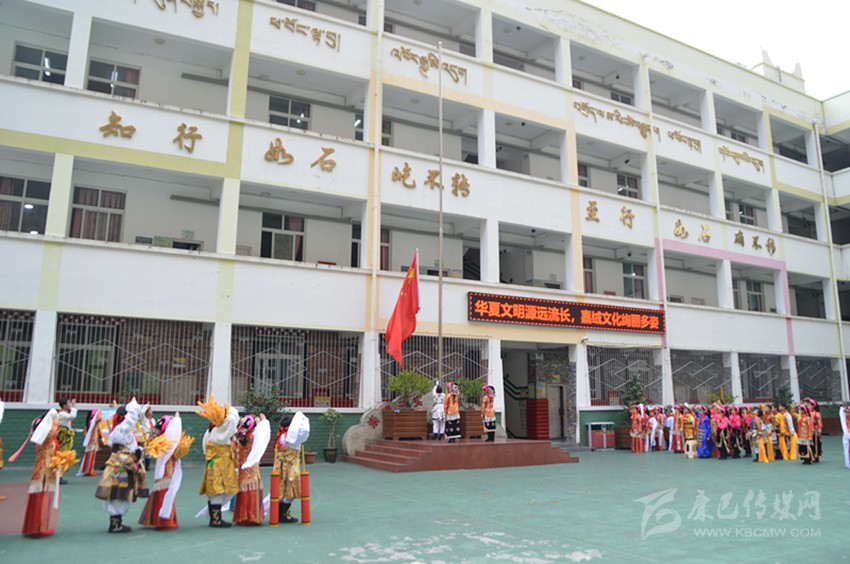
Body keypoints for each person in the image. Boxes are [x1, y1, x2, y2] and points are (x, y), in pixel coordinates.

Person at [95, 399, 149, 533]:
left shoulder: (124, 432)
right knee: (118, 494)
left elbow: (133, 447)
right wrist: (133, 409)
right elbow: (129, 422)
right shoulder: (120, 430)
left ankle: (116, 523)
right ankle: (115, 525)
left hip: (123, 467)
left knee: (121, 495)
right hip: (119, 468)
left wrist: (139, 453)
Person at [139, 413, 192, 530]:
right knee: (166, 491)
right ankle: (165, 521)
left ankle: (159, 519)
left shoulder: (163, 440)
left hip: (164, 466)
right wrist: (177, 418)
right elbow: (176, 426)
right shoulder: (169, 439)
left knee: (163, 490)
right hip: (168, 467)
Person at [197, 395, 239, 528]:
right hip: (221, 466)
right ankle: (216, 520)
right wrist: (227, 411)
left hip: (213, 464)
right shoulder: (219, 432)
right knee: (219, 491)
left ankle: (214, 518)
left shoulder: (210, 431)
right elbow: (232, 420)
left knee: (215, 491)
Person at [22, 410, 62, 537]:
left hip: (42, 469)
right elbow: (53, 433)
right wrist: (53, 418)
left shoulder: (41, 435)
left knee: (39, 497)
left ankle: (34, 527)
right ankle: (40, 527)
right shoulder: (47, 437)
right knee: (42, 498)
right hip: (45, 470)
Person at [233, 413, 270, 526]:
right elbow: (263, 433)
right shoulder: (252, 438)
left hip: (242, 469)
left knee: (243, 493)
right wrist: (262, 420)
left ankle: (242, 516)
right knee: (253, 492)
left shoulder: (238, 439)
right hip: (252, 469)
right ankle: (253, 517)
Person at [273, 412, 310, 524]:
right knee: (291, 491)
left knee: (280, 490)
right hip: (291, 467)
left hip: (279, 466)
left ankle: (278, 514)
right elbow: (305, 430)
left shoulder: (280, 437)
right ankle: (284, 515)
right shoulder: (293, 439)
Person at [57, 397, 77, 485]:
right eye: (69, 403)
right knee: (62, 456)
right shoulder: (62, 414)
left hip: (65, 438)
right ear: (64, 406)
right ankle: (58, 476)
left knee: (63, 456)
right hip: (63, 439)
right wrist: (73, 407)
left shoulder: (63, 414)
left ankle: (59, 476)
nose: (70, 405)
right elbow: (72, 416)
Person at [78, 408, 102, 477]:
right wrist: (99, 411)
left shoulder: (90, 422)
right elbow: (99, 419)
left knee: (90, 456)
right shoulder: (92, 422)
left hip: (93, 441)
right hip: (92, 441)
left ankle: (88, 469)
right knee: (90, 456)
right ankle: (89, 470)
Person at [840, 402, 850, 470]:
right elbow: (841, 411)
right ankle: (848, 463)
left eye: (848, 412)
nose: (847, 414)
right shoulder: (845, 420)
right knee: (847, 449)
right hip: (847, 435)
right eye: (846, 412)